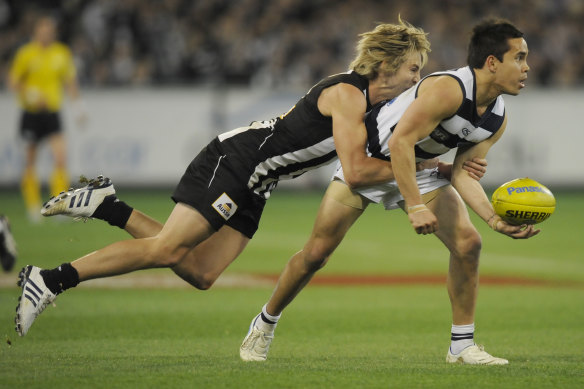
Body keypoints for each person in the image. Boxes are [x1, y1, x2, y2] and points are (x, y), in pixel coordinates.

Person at [14, 19, 485, 338]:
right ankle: (51, 279)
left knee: (200, 272)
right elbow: (358, 171)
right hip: (236, 161)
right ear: (387, 65)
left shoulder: (377, 105)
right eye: (413, 68)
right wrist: (427, 169)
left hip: (259, 182)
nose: (417, 78)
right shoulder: (348, 94)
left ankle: (106, 205)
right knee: (167, 250)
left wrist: (436, 164)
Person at [239, 18, 538, 365]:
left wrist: (492, 219)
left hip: (417, 168)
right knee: (316, 254)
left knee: (469, 244)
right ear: (492, 62)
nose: (526, 67)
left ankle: (461, 346)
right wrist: (415, 206)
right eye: (519, 57)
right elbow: (400, 143)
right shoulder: (449, 89)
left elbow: (463, 173)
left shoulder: (497, 119)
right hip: (372, 162)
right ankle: (265, 323)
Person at [7, 15, 87, 222]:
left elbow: (70, 82)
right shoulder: (26, 53)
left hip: (52, 112)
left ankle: (58, 205)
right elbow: (13, 81)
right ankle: (33, 207)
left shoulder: (61, 52)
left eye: (49, 30)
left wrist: (78, 107)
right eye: (43, 30)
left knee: (60, 158)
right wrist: (30, 94)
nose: (47, 33)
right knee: (30, 161)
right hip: (31, 114)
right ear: (35, 32)